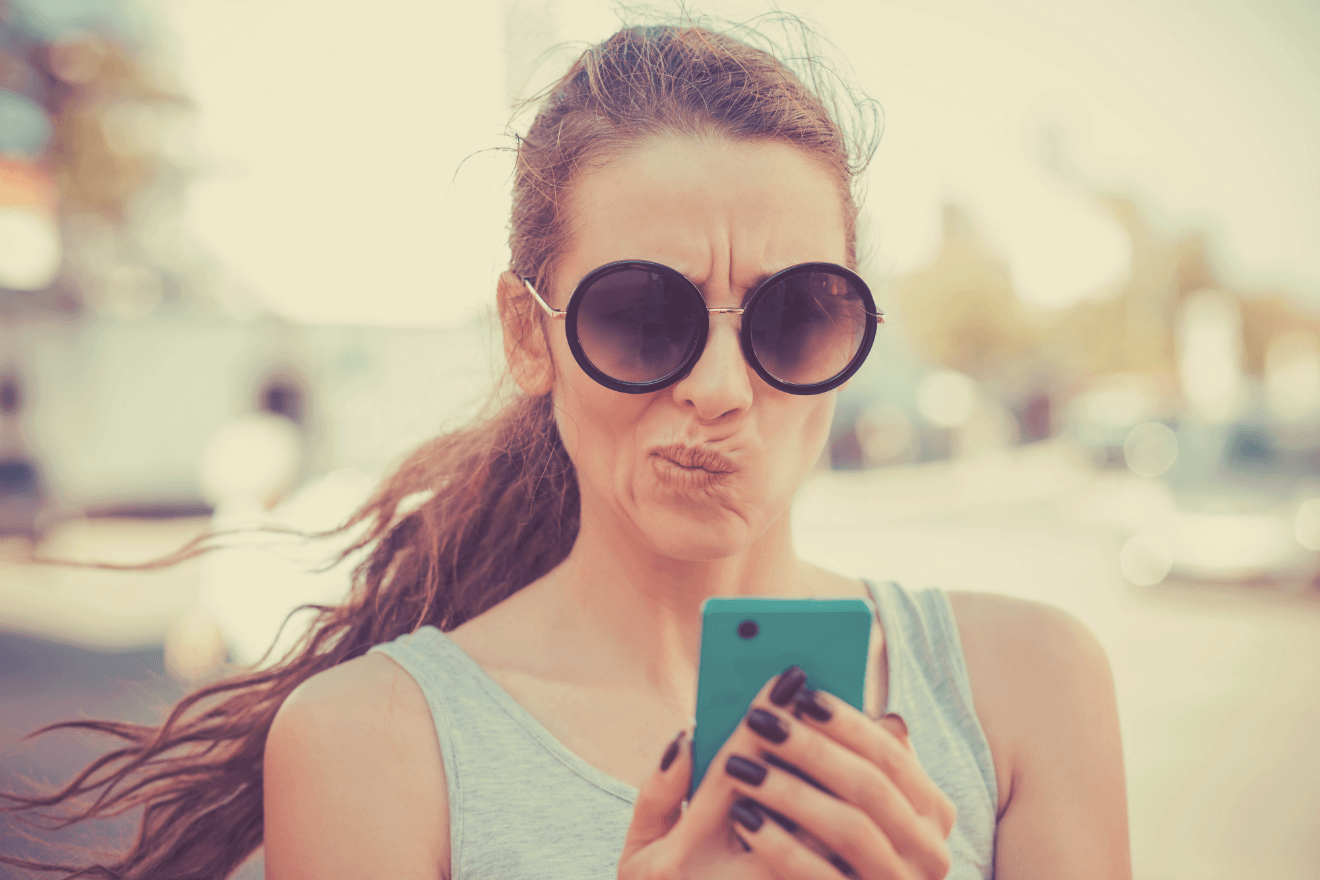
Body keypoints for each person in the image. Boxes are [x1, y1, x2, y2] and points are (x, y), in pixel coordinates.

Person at [1, 21, 1130, 880]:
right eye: (644, 316)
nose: (724, 391)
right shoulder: (371, 745)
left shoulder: (1027, 688)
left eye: (794, 316)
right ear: (527, 334)